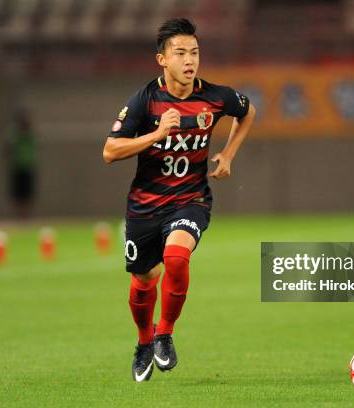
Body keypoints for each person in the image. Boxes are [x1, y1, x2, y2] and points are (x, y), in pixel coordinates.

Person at [103, 18, 256, 382]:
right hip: (144, 204)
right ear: (162, 60)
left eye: (195, 53)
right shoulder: (145, 100)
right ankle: (143, 342)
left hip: (190, 199)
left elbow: (248, 111)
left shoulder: (215, 96)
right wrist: (156, 133)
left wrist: (229, 153)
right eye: (181, 53)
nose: (190, 61)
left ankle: (165, 333)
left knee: (176, 256)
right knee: (143, 280)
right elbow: (110, 151)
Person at [6, 108, 37, 218]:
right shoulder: (14, 134)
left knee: (28, 194)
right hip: (17, 167)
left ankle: (26, 216)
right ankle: (18, 217)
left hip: (28, 166)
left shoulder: (31, 134)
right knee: (18, 194)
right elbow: (8, 149)